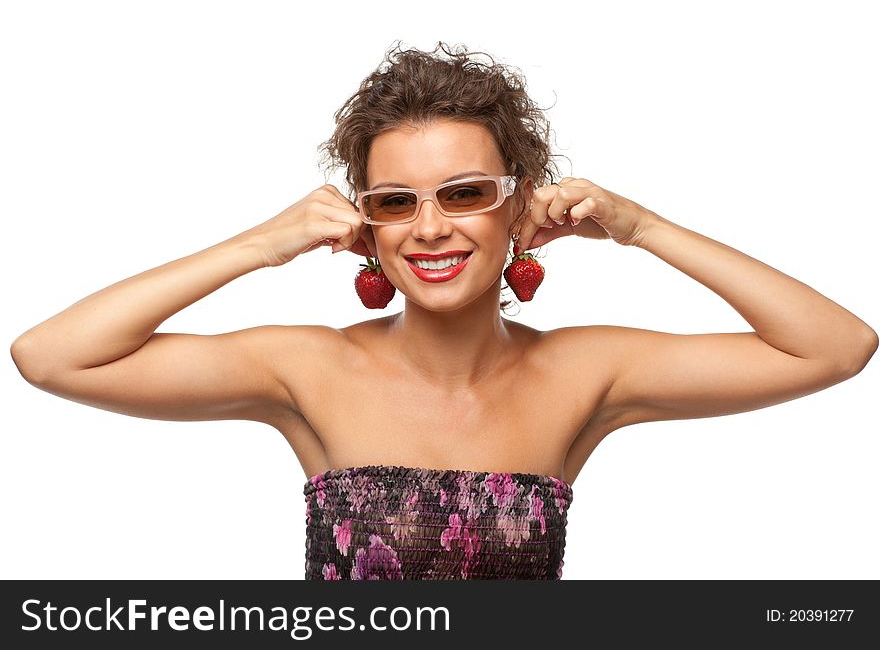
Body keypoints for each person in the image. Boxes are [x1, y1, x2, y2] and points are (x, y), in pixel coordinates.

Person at [9, 41, 878, 580]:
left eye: (464, 193)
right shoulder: (307, 366)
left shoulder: (586, 371)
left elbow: (835, 347)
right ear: (368, 223)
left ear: (519, 202)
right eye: (396, 201)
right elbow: (51, 356)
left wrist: (642, 227)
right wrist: (258, 245)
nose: (430, 228)